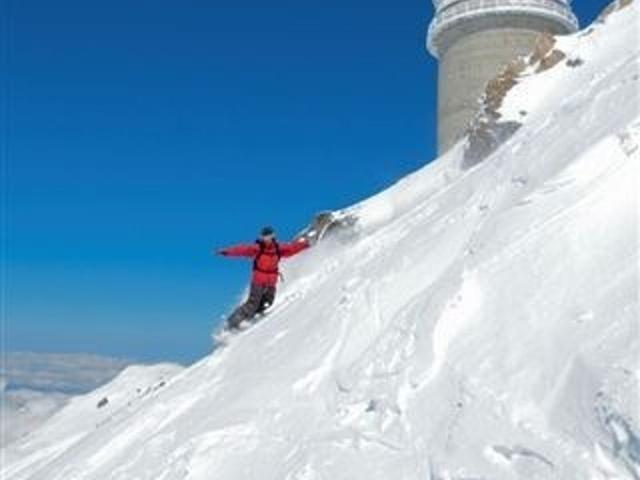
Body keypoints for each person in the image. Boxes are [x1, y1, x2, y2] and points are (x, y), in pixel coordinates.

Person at [217, 226, 310, 330]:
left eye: (269, 236)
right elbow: (242, 249)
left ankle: (251, 319)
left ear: (273, 236)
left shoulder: (278, 249)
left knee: (268, 302)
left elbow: (292, 248)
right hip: (258, 280)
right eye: (264, 237)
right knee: (252, 304)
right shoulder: (258, 248)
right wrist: (227, 252)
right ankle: (231, 324)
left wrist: (305, 245)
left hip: (271, 281)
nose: (267, 239)